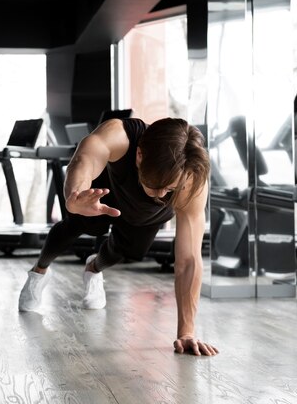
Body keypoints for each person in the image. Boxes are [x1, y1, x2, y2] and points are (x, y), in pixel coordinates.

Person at [18, 117, 219, 356]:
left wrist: (186, 332)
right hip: (102, 195)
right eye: (157, 186)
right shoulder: (121, 135)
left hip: (143, 218)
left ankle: (93, 269)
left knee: (128, 252)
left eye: (171, 190)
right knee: (74, 227)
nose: (162, 195)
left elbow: (188, 261)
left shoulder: (190, 180)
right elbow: (85, 157)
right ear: (139, 156)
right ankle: (38, 272)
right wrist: (75, 197)